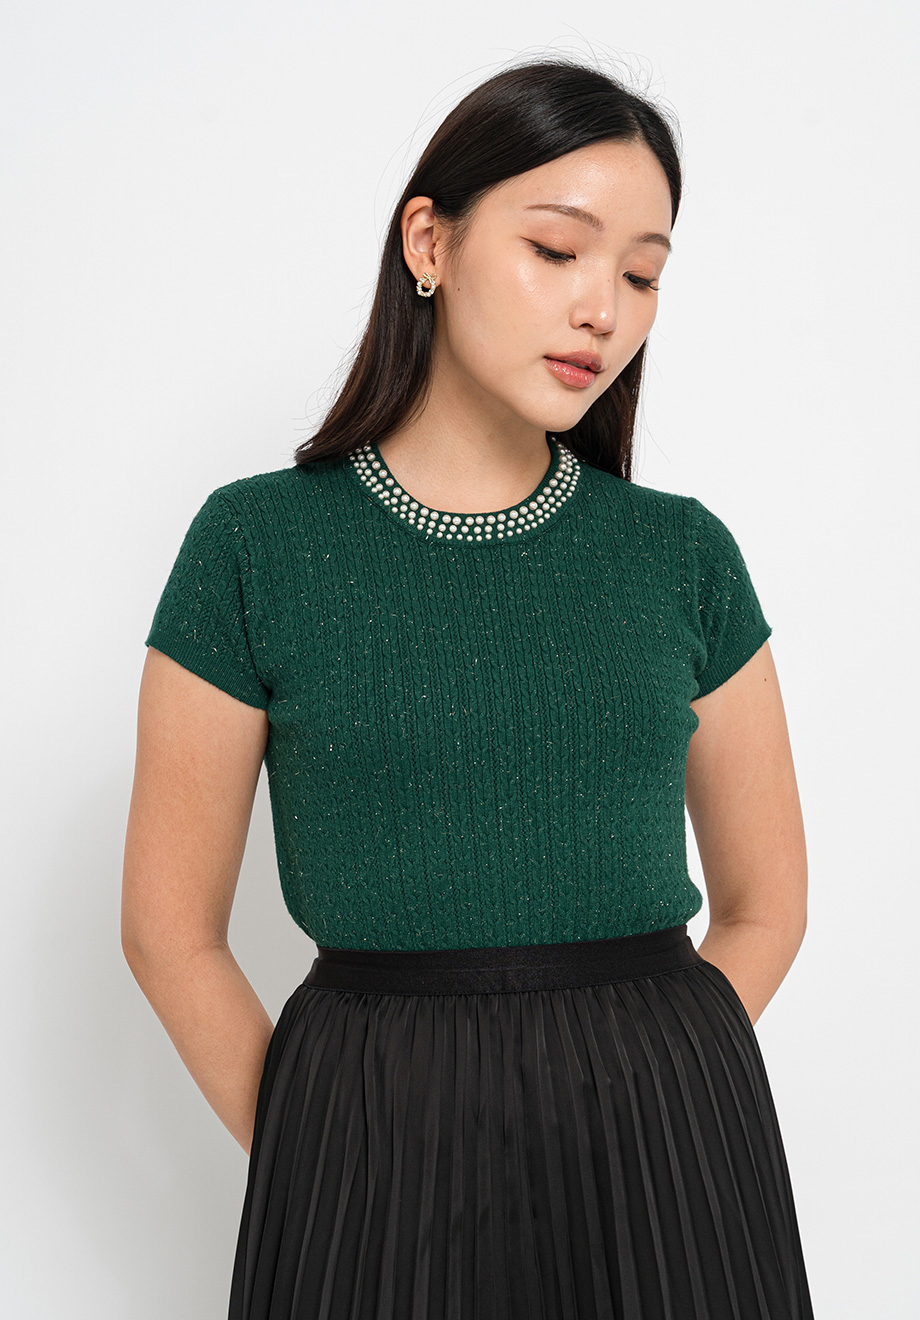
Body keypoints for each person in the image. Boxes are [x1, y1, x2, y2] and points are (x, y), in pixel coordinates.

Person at [121, 56, 815, 1320]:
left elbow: (766, 905)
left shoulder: (679, 554)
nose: (601, 309)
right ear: (428, 243)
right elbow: (168, 931)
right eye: (555, 249)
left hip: (667, 1139)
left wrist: (656, 1089)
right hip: (367, 1130)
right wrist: (324, 1149)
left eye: (641, 275)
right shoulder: (254, 545)